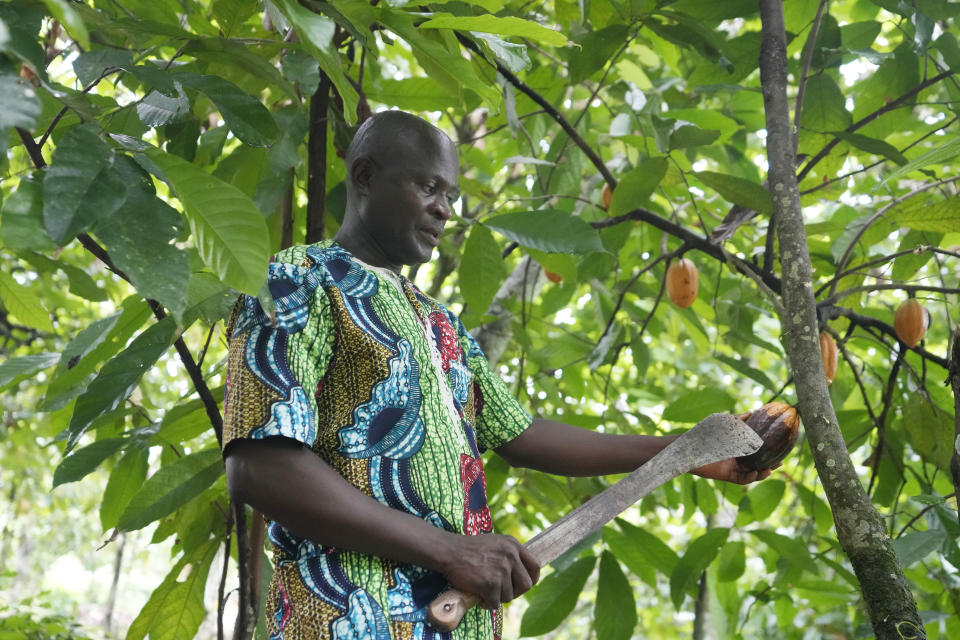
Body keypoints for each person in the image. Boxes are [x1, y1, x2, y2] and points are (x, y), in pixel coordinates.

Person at [221, 110, 771, 640]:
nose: (444, 211)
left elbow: (522, 435)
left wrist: (686, 450)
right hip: (348, 613)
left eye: (451, 197)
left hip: (459, 620)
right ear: (365, 176)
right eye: (429, 188)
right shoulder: (295, 281)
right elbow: (260, 467)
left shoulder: (441, 324)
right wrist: (450, 551)